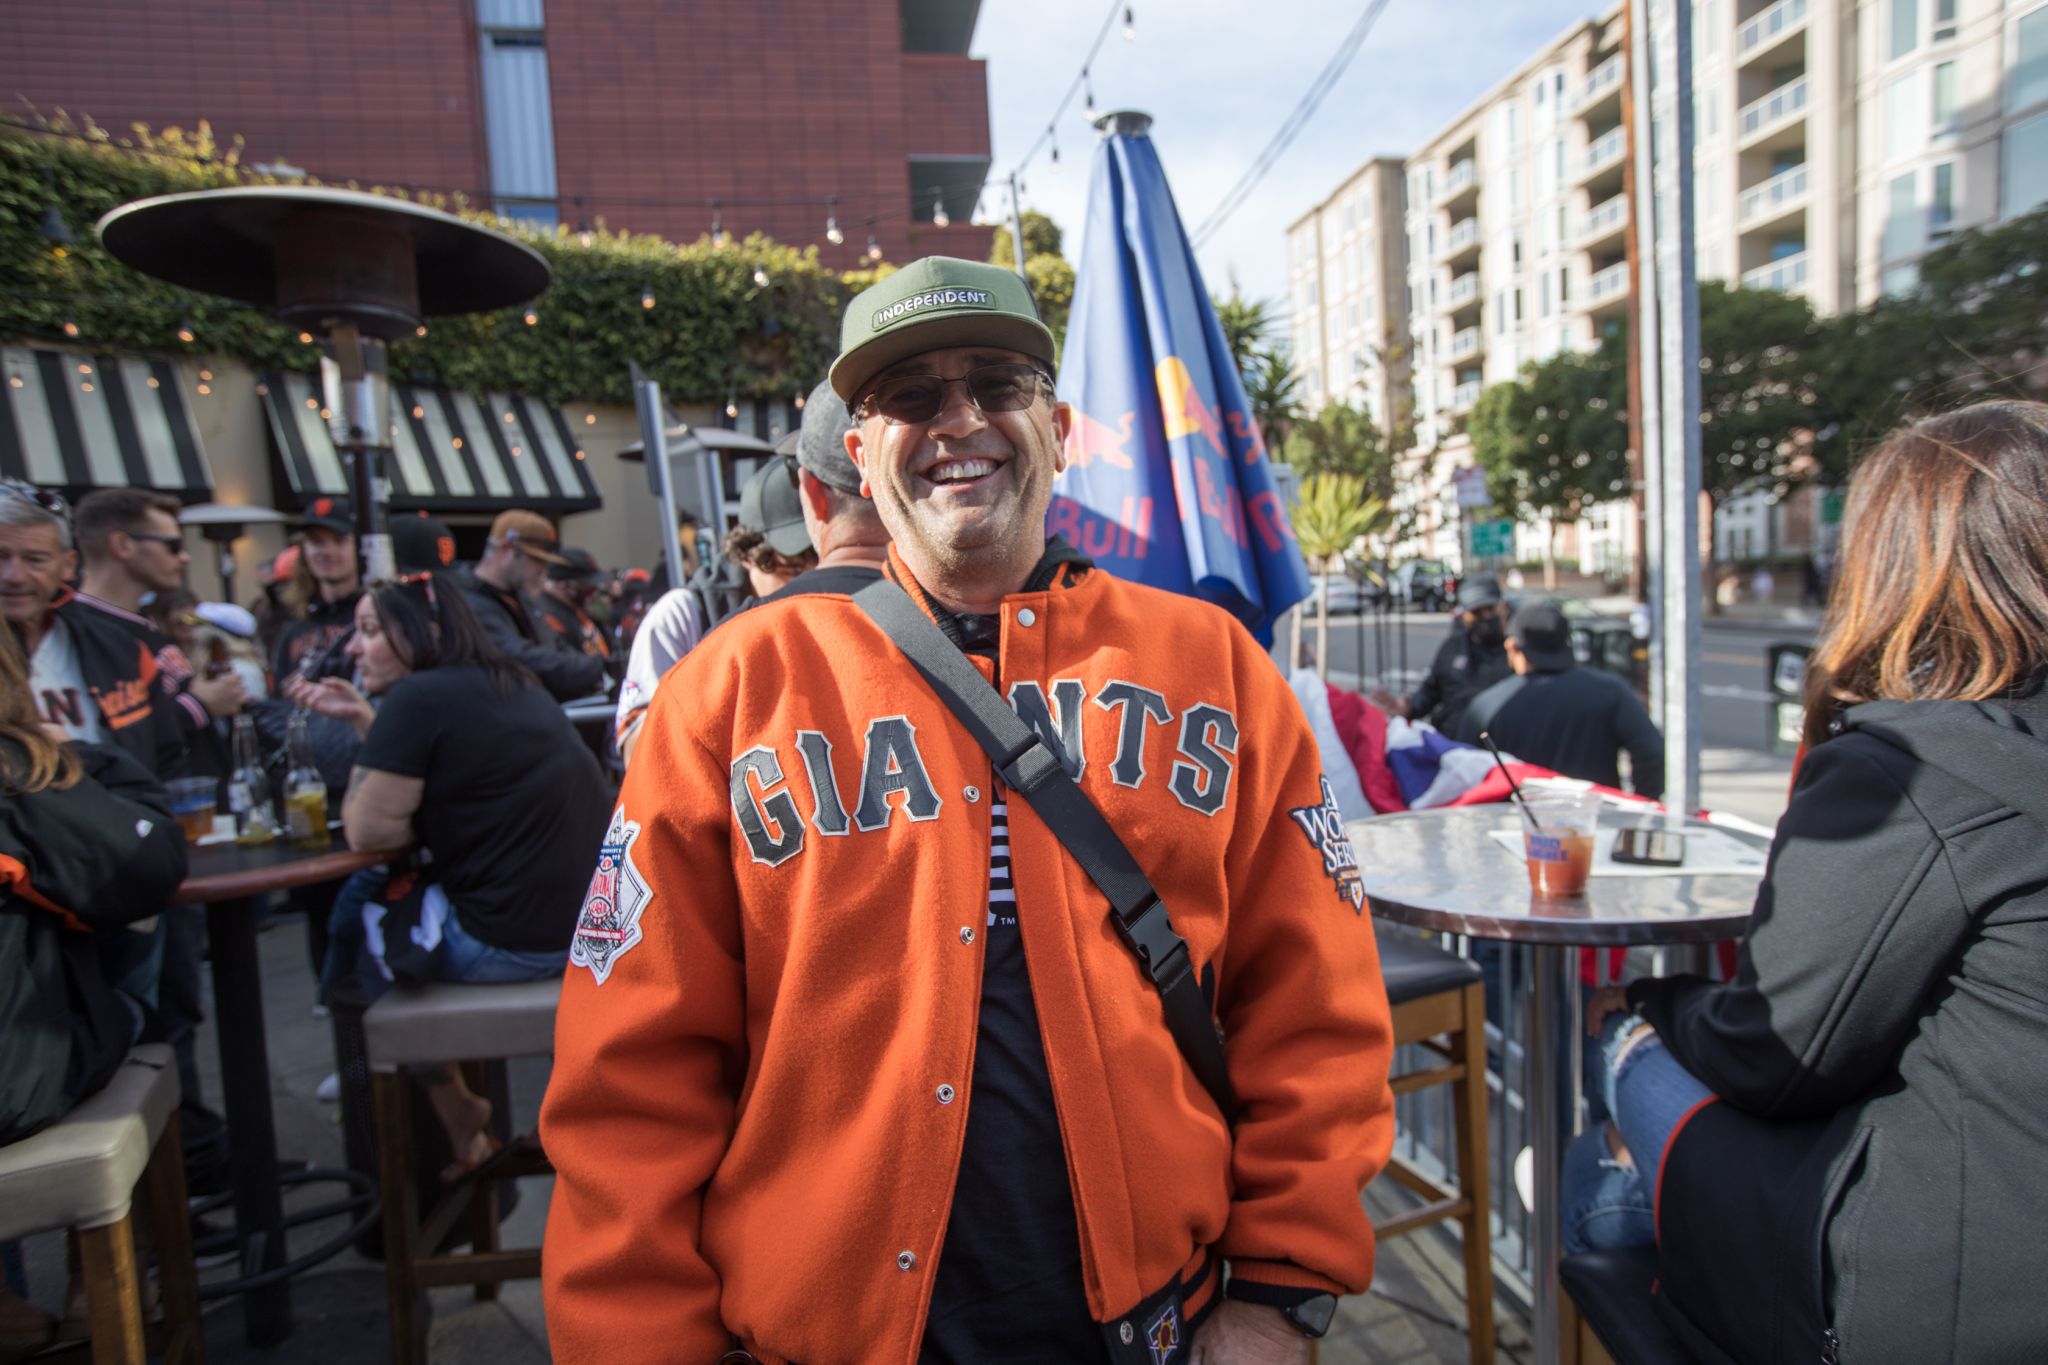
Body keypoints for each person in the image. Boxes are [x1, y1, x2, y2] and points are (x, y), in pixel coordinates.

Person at [543, 257, 1395, 1365]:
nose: (958, 420)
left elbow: (1313, 1006)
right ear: (857, 450)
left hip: (1153, 1330)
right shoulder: (731, 690)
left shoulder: (1212, 667)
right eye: (910, 396)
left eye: (995, 383)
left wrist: (1280, 1294)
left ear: (1057, 425)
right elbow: (631, 1073)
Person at [1560, 400, 2048, 1362]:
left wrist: (1656, 998)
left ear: (1894, 566)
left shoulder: (1919, 765)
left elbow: (1771, 1055)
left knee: (1611, 1059)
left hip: (1932, 1297)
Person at [290, 572, 610, 1173]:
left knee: (362, 914)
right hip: (589, 937)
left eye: (368, 631)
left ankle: (427, 1095)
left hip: (516, 947)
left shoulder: (420, 697)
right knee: (382, 898)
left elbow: (369, 832)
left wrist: (373, 724)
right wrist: (368, 721)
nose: (354, 648)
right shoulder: (511, 682)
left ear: (425, 632)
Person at [0, 622, 188, 1353]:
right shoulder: (21, 770)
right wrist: (70, 757)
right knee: (132, 969)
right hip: (16, 1091)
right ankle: (104, 1274)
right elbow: (143, 868)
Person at [612, 386, 888, 764]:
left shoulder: (853, 610)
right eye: (787, 564)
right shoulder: (684, 617)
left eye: (813, 559)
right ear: (747, 553)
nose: (808, 576)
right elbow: (636, 751)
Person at [1454, 602, 1664, 799]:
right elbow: (1652, 752)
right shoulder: (1610, 692)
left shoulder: (1487, 706)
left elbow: (1463, 773)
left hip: (1516, 827)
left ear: (1512, 647)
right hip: (1595, 824)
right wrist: (1638, 809)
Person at [453, 509, 606, 701]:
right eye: (536, 559)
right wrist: (598, 668)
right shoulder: (467, 601)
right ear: (506, 550)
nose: (543, 568)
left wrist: (595, 667)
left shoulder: (520, 597)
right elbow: (518, 657)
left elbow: (553, 646)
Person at [1373, 574, 1511, 736]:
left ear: (1503, 608)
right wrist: (1408, 708)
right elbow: (1430, 690)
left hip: (1500, 748)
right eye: (1477, 612)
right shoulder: (1452, 648)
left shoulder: (1518, 652)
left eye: (1490, 609)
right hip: (1454, 744)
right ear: (1464, 615)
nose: (1486, 617)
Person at [271, 496, 364, 684]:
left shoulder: (375, 622)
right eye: (316, 541)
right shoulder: (294, 628)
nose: (327, 551)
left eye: (339, 540)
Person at [532, 547, 613, 661]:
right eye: (587, 586)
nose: (594, 591)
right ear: (564, 585)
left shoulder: (577, 610)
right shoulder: (547, 616)